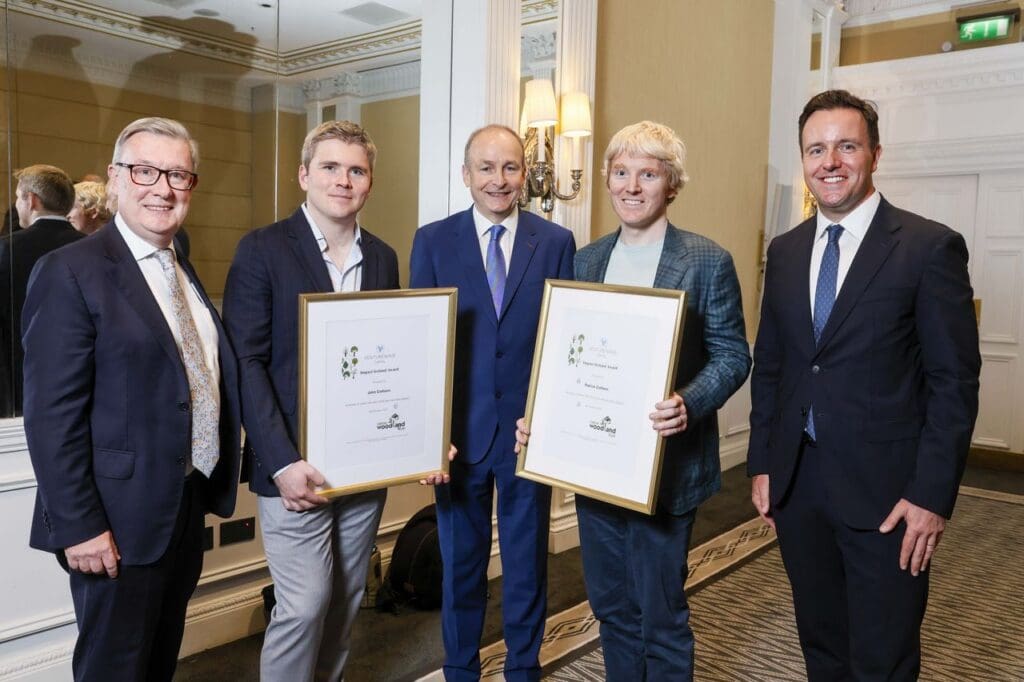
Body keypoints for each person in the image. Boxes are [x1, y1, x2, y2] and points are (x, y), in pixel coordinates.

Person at [747, 89, 981, 680]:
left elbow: (954, 383)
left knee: (883, 658)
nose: (830, 161)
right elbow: (772, 365)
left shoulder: (928, 248)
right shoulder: (786, 251)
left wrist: (931, 496)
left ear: (875, 154)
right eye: (815, 149)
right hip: (799, 487)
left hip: (890, 497)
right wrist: (763, 463)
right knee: (821, 646)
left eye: (846, 147)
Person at [515, 120, 751, 681]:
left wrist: (687, 402)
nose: (631, 186)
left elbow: (733, 356)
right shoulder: (587, 260)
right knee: (613, 611)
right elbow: (570, 356)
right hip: (597, 469)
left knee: (660, 617)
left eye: (648, 174)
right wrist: (542, 418)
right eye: (620, 172)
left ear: (672, 184)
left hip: (667, 472)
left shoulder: (706, 259)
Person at [21, 117, 242, 681]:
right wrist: (79, 525)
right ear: (116, 178)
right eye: (145, 171)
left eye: (178, 175)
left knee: (157, 666)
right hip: (113, 522)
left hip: (181, 507)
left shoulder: (179, 265)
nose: (162, 188)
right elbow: (51, 416)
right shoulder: (69, 270)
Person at [222, 120, 404, 682]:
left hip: (364, 466)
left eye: (356, 170)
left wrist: (411, 438)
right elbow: (246, 363)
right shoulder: (261, 249)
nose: (343, 180)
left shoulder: (382, 257)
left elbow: (389, 358)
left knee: (346, 599)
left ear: (370, 182)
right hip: (294, 468)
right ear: (303, 175)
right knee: (303, 605)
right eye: (329, 167)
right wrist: (281, 463)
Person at [410, 124, 575, 681]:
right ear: (466, 174)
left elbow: (563, 340)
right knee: (461, 567)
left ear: (524, 174)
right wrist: (430, 433)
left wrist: (551, 416)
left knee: (527, 567)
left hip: (529, 435)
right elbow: (423, 344)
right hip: (458, 440)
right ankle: (461, 670)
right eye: (485, 167)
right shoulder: (433, 242)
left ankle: (523, 669)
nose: (498, 179)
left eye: (509, 167)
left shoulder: (555, 242)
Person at [0, 164, 81, 415]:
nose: (16, 205)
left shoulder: (6, 249)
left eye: (18, 197)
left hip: (18, 379)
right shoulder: (93, 249)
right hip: (78, 377)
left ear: (32, 200)